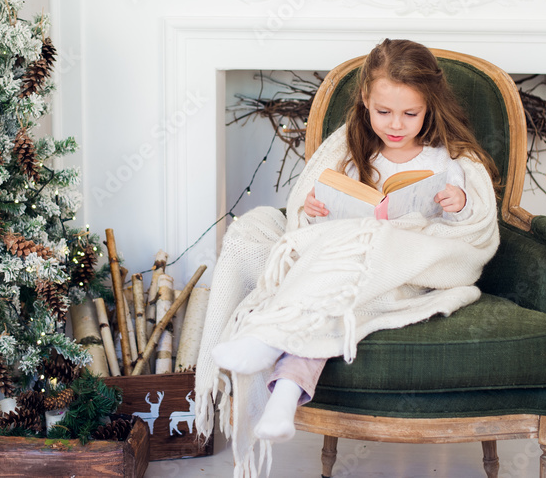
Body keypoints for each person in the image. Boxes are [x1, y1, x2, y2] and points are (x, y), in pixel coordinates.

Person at [194, 39, 501, 478]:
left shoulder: (448, 158)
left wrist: (460, 202)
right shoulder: (353, 150)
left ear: (431, 106)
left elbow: (475, 227)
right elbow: (308, 206)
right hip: (345, 265)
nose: (395, 125)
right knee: (326, 295)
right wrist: (316, 210)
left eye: (410, 114)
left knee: (343, 279)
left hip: (405, 265)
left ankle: (267, 338)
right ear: (365, 101)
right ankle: (282, 402)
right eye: (384, 112)